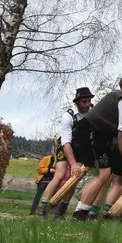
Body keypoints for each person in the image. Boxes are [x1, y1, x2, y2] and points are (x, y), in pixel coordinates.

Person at [73, 74, 122, 220]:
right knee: (103, 174)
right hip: (91, 133)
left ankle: (81, 212)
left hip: (97, 135)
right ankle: (79, 214)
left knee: (104, 174)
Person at [42, 87, 94, 219]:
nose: (87, 104)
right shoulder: (68, 116)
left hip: (82, 145)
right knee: (59, 175)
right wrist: (73, 163)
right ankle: (43, 208)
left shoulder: (93, 113)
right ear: (77, 102)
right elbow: (66, 143)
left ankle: (60, 211)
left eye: (89, 101)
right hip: (66, 144)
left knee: (75, 177)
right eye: (84, 101)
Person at [29, 140, 58, 215]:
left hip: (52, 181)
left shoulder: (59, 161)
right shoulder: (45, 158)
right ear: (51, 151)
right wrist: (49, 170)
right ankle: (32, 212)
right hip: (43, 180)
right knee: (38, 197)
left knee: (52, 197)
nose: (55, 152)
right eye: (54, 150)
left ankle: (48, 212)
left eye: (56, 151)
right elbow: (39, 170)